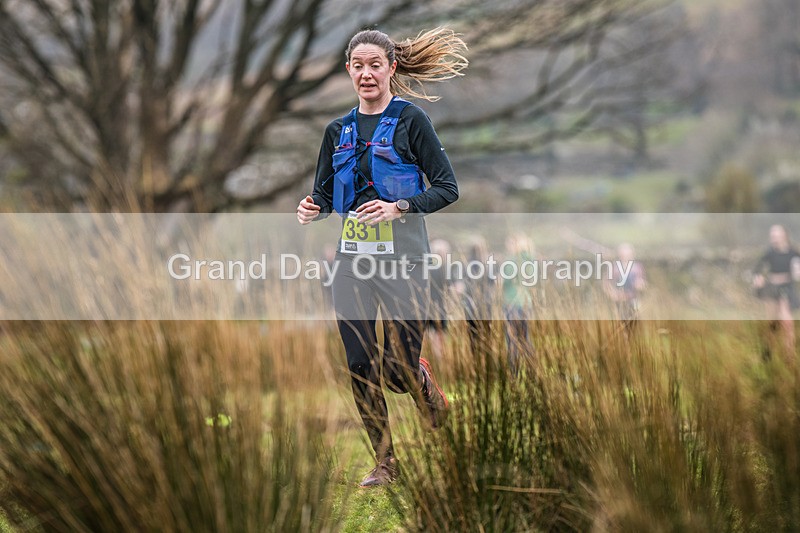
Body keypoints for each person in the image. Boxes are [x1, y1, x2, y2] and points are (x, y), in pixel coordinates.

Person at [296, 27, 467, 487]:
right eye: (358, 66)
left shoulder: (412, 121)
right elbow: (324, 197)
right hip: (351, 264)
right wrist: (310, 208)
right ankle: (385, 464)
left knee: (397, 369)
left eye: (376, 65)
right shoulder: (337, 131)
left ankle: (424, 384)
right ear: (348, 70)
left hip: (405, 262)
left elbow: (448, 188)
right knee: (358, 364)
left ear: (392, 68)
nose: (367, 73)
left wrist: (400, 206)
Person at [753, 224, 800, 358]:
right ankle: (767, 353)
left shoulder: (793, 252)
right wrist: (759, 278)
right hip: (771, 288)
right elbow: (758, 268)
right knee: (773, 323)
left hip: (787, 288)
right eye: (772, 236)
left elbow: (797, 272)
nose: (774, 238)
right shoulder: (769, 253)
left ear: (784, 235)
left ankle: (789, 354)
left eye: (776, 235)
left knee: (787, 322)